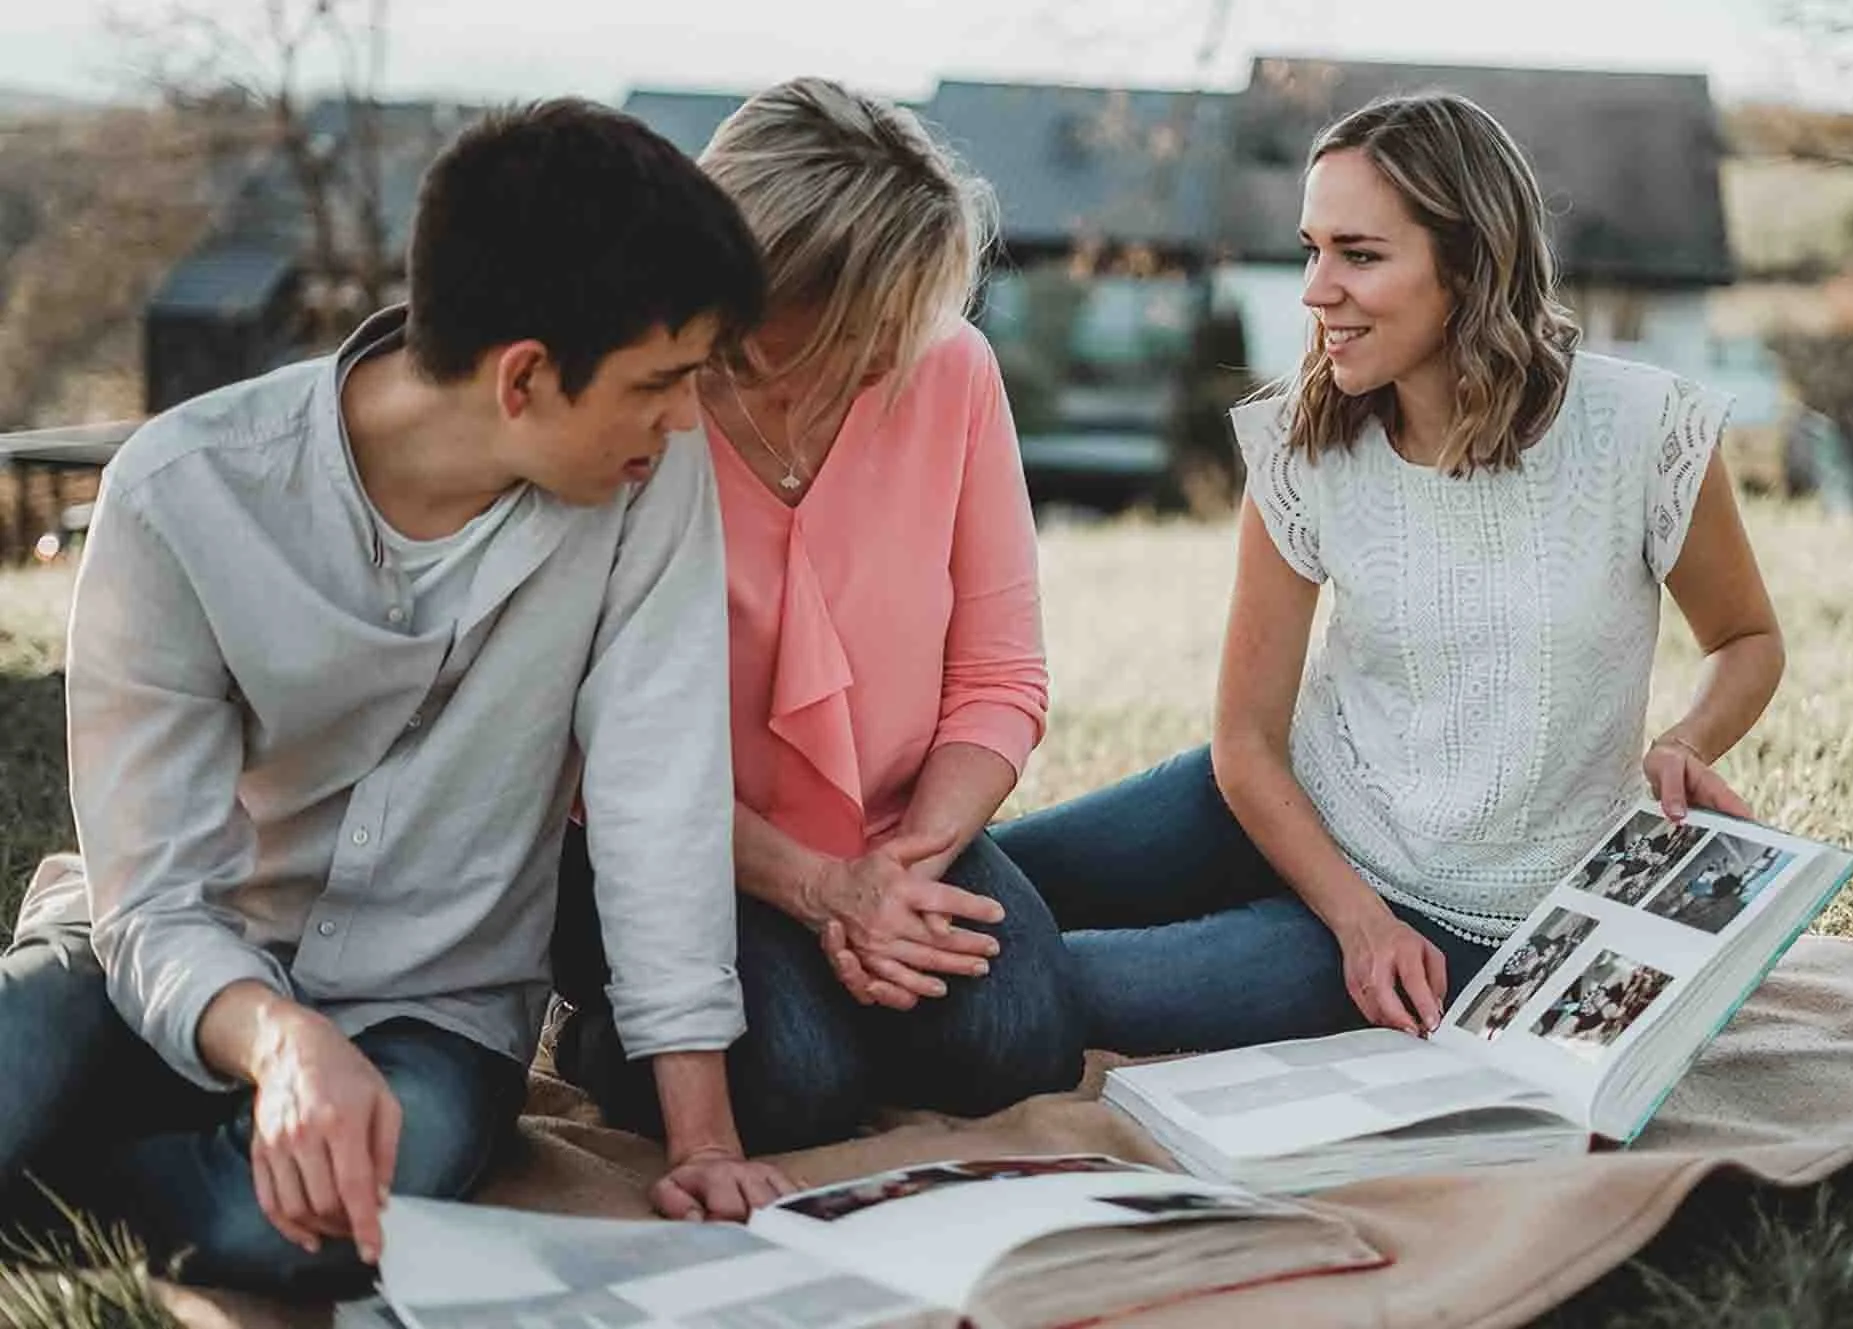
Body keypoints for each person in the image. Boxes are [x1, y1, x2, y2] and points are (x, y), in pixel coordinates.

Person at [0, 99, 792, 1298]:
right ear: (523, 378)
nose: (687, 419)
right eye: (661, 382)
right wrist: (281, 1043)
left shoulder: (648, 480)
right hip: (167, 967)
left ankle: (48, 1188)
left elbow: (657, 784)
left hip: (434, 1014)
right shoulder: (179, 499)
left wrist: (705, 1144)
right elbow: (153, 900)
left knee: (319, 1223)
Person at [990, 92, 1785, 1055]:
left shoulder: (1645, 433)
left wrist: (1690, 737)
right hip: (1272, 809)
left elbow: (1746, 639)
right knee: (968, 885)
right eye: (1313, 248)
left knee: (1044, 994)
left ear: (1468, 262)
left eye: (1359, 255)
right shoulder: (1302, 443)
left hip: (1460, 928)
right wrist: (1352, 912)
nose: (1316, 289)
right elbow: (1244, 740)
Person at [551, 77, 1084, 1154]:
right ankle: (603, 1035)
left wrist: (901, 872)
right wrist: (813, 890)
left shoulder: (952, 373)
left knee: (1023, 1044)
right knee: (796, 1085)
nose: (904, 345)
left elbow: (998, 678)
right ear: (764, 290)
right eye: (871, 314)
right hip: (666, 844)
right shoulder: (634, 398)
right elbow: (576, 745)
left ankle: (843, 983)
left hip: (895, 833)